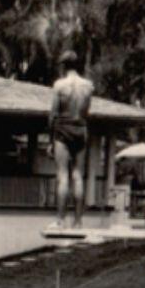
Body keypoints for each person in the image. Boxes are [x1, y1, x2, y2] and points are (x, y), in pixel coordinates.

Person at [50, 50, 94, 229]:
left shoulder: (59, 85)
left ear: (63, 66)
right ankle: (78, 222)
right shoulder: (88, 86)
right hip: (81, 128)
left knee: (63, 176)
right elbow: (86, 111)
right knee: (78, 176)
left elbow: (53, 113)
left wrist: (51, 140)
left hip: (63, 128)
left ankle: (60, 220)